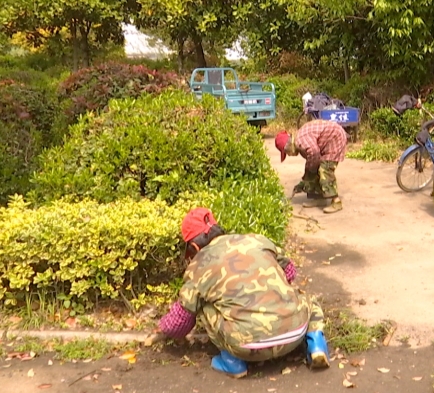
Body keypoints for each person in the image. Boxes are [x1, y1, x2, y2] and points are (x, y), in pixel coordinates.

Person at [143, 207, 330, 378]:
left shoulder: (198, 265)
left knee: (203, 306)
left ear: (194, 247)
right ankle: (316, 343)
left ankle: (233, 361)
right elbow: (289, 272)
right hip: (294, 334)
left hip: (247, 346)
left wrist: (162, 328)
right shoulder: (256, 240)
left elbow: (180, 324)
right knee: (306, 298)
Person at [275, 120, 348, 214]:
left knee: (324, 170)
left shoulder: (301, 140)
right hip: (328, 140)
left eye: (287, 153)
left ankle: (336, 202)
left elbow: (314, 153)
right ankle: (321, 197)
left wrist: (308, 175)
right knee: (314, 167)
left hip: (335, 138)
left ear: (288, 146)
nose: (289, 155)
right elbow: (312, 162)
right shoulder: (299, 140)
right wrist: (305, 180)